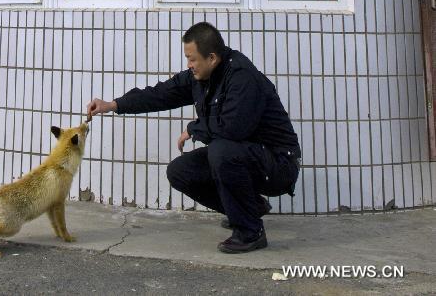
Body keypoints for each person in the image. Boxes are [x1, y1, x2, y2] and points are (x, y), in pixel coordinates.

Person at [86, 21, 300, 253]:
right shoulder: (199, 76)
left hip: (278, 164)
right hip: (246, 156)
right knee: (180, 171)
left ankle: (250, 231)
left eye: (192, 59)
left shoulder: (242, 77)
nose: (189, 65)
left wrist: (194, 129)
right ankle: (250, 208)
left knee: (221, 151)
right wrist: (114, 104)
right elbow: (161, 94)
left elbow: (233, 129)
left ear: (212, 58)